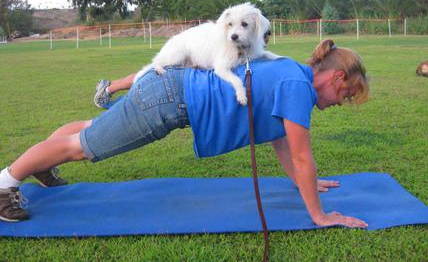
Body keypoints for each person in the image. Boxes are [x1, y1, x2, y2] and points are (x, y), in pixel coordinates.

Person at [0, 39, 369, 228]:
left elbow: (281, 142)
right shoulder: (298, 88)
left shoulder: (292, 74)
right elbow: (302, 155)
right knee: (83, 147)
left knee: (90, 131)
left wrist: (306, 182)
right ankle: (5, 185)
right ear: (336, 76)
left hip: (171, 92)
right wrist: (320, 215)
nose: (342, 102)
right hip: (170, 99)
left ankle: (41, 167)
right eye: (347, 93)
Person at [93, 29, 272, 108]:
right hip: (184, 50)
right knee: (153, 73)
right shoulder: (232, 40)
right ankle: (108, 88)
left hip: (193, 58)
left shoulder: (246, 47)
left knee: (153, 75)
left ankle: (111, 87)